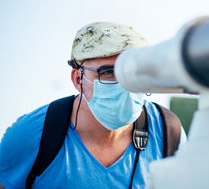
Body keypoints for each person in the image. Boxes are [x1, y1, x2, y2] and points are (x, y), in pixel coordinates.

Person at [0, 22, 186, 189]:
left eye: (134, 72)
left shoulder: (167, 133)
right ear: (78, 79)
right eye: (108, 73)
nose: (125, 84)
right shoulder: (34, 134)